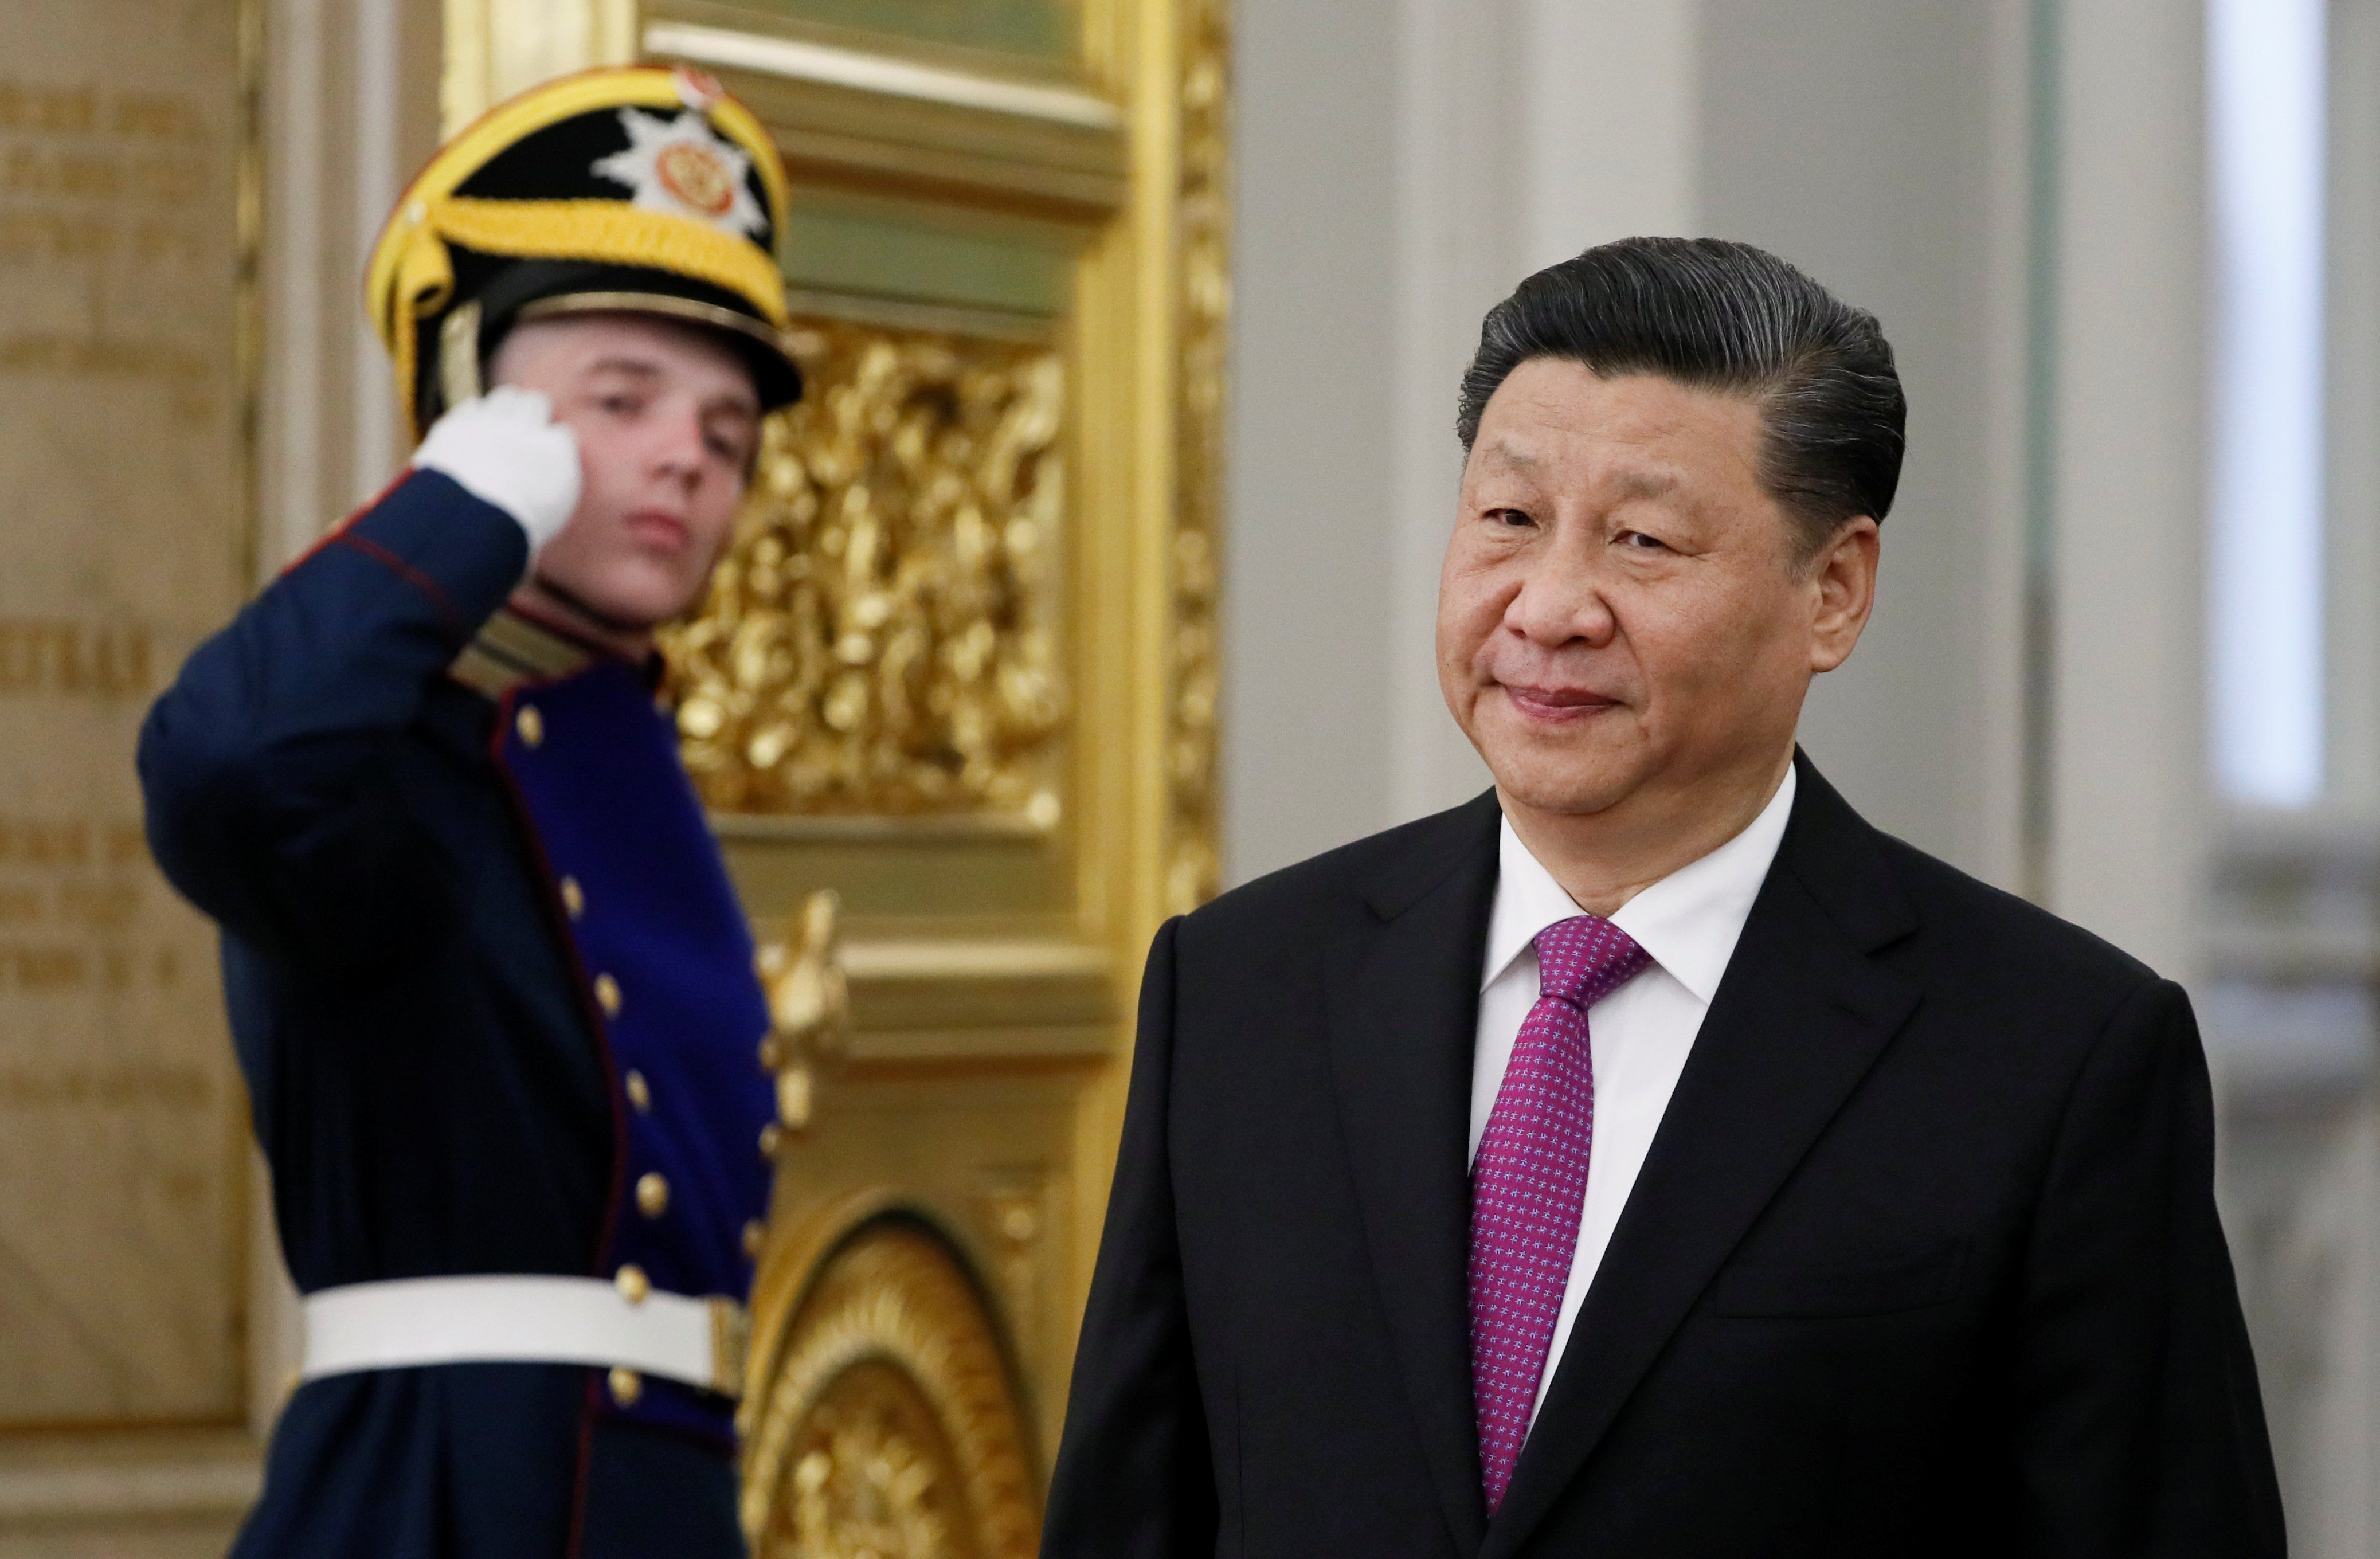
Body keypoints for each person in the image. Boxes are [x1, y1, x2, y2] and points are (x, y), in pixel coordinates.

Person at [1041, 237, 2285, 1556]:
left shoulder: (2057, 1058)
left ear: (1834, 591)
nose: (1553, 605)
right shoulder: (1244, 987)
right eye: (1509, 520)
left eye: (1641, 541)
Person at [139, 65, 804, 1558]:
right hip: (431, 1501)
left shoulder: (628, 761)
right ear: (474, 423)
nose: (687, 453)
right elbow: (221, 766)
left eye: (727, 430)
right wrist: (459, 512)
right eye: (619, 401)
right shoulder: (389, 769)